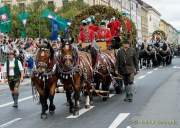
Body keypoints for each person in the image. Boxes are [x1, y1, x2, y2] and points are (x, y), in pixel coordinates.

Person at [116, 37, 138, 102]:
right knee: (125, 83)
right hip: (123, 70)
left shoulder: (133, 50)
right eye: (124, 44)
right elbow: (117, 61)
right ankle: (126, 95)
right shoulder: (120, 51)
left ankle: (130, 96)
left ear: (129, 44)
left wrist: (137, 69)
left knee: (130, 82)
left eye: (127, 44)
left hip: (131, 69)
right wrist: (116, 69)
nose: (126, 45)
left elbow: (136, 60)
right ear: (123, 45)